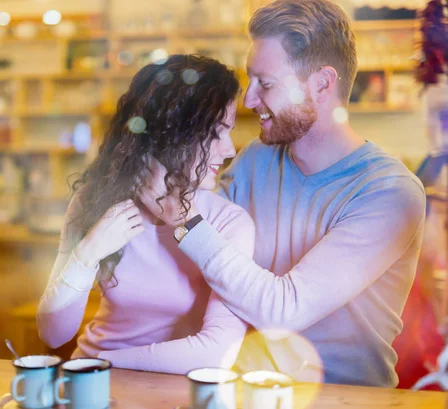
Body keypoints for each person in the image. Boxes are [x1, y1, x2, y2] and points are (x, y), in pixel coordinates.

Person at [139, 0, 426, 387]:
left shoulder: (389, 193)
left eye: (266, 84)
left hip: (345, 397)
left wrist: (182, 217)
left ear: (323, 84)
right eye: (251, 81)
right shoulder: (259, 156)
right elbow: (201, 244)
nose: (249, 100)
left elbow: (284, 310)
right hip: (247, 390)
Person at [36, 54, 254, 375]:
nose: (230, 149)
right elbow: (53, 333)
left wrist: (100, 364)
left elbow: (217, 353)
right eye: (217, 133)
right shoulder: (94, 201)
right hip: (93, 383)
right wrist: (86, 255)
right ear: (173, 133)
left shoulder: (229, 224)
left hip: (139, 379)